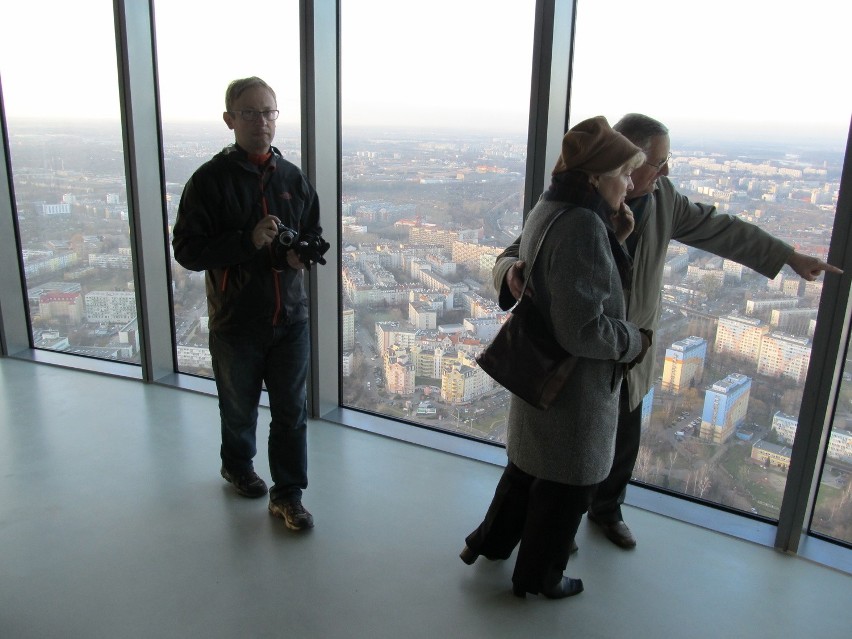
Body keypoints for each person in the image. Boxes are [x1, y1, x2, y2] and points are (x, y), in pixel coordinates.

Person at [493, 113, 842, 550]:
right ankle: (543, 530)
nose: (666, 171)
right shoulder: (572, 200)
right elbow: (515, 250)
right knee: (552, 452)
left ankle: (603, 511)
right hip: (568, 357)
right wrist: (510, 274)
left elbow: (722, 230)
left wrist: (787, 256)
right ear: (630, 159)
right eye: (659, 162)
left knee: (621, 445)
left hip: (626, 353)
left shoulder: (664, 201)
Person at [460, 116, 652, 600]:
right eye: (625, 175)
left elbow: (570, 278)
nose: (630, 185)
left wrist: (615, 237)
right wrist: (633, 341)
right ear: (596, 177)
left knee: (528, 467)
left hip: (539, 371)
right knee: (567, 486)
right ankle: (540, 576)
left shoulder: (552, 205)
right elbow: (583, 328)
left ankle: (491, 544)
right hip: (573, 389)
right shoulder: (585, 225)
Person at [172, 76, 323, 531]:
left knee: (291, 413)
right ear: (229, 120)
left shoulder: (293, 179)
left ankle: (288, 495)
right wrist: (247, 240)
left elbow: (309, 233)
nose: (262, 121)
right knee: (238, 408)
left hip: (290, 319)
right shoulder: (209, 182)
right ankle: (238, 465)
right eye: (251, 112)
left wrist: (298, 255)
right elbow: (187, 250)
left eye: (269, 112)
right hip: (237, 321)